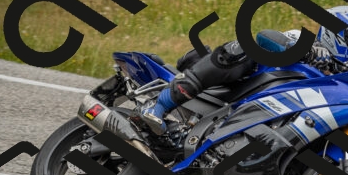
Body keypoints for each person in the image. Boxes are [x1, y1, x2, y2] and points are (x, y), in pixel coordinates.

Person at [139, 28, 334, 135]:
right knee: (245, 49)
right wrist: (306, 52)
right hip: (236, 87)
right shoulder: (308, 43)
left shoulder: (337, 88)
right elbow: (265, 36)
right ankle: (158, 104)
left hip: (264, 122)